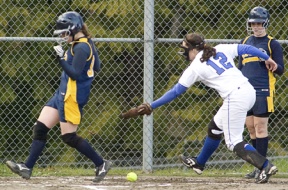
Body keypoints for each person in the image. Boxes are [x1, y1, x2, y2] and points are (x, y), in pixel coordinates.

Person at [121, 33, 278, 184]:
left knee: (233, 142)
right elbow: (247, 48)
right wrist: (267, 58)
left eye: (185, 49)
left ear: (193, 49)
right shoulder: (220, 48)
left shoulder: (195, 66)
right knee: (215, 128)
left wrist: (151, 105)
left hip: (235, 96)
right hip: (248, 90)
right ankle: (199, 163)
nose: (183, 53)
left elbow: (176, 91)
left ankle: (265, 166)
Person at [5, 11, 111, 182]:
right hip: (62, 92)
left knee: (68, 137)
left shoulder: (82, 47)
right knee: (40, 128)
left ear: (74, 29)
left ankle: (101, 163)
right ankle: (27, 167)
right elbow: (96, 66)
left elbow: (75, 74)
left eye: (64, 32)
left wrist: (61, 58)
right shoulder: (83, 43)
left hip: (72, 95)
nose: (62, 36)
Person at [238, 6, 284, 179]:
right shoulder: (245, 42)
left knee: (260, 127)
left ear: (265, 23)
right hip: (245, 90)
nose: (256, 26)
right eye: (253, 23)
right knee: (250, 128)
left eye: (259, 23)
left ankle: (264, 168)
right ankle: (258, 166)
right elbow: (240, 67)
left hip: (263, 89)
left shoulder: (272, 43)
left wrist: (274, 66)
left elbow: (280, 69)